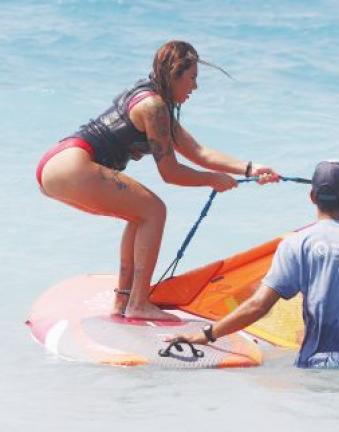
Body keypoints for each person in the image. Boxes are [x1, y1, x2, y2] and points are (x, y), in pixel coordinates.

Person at [36, 40, 279, 321]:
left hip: (56, 164)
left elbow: (197, 151)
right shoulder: (154, 107)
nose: (194, 88)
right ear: (175, 74)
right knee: (154, 211)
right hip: (74, 164)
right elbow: (170, 173)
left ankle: (124, 301)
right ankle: (139, 304)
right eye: (192, 79)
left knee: (139, 214)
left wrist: (250, 168)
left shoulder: (151, 99)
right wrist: (213, 180)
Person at [169, 161, 339, 368]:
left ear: (312, 196)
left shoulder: (296, 245)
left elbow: (258, 306)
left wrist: (207, 334)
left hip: (312, 368)